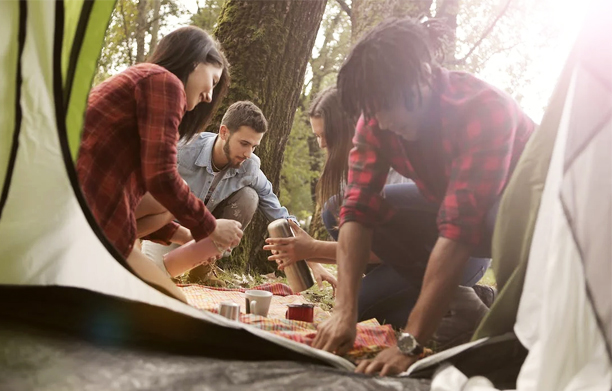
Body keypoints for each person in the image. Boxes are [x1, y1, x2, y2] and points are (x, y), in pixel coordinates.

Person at [309, 17, 536, 376]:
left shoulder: (483, 109)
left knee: (492, 218)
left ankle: (514, 322)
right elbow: (357, 209)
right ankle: (461, 305)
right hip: (450, 207)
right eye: (373, 112)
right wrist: (344, 311)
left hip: (518, 220)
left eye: (388, 107)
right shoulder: (377, 118)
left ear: (424, 77)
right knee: (337, 210)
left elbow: (460, 228)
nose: (381, 123)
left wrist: (410, 342)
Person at [264, 86, 490, 334]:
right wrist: (306, 253)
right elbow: (383, 249)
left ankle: (471, 297)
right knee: (335, 212)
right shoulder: (350, 170)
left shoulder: (394, 164)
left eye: (326, 134)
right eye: (316, 136)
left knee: (360, 307)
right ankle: (450, 305)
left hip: (459, 253)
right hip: (411, 261)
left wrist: (313, 249)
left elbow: (392, 247)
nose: (321, 143)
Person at [76, 26, 243, 301]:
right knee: (177, 309)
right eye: (212, 81)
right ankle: (107, 263)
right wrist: (210, 225)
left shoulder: (145, 79)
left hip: (93, 205)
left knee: (164, 204)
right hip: (91, 211)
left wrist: (188, 236)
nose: (209, 97)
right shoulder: (165, 82)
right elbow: (162, 177)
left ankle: (114, 264)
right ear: (194, 60)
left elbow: (139, 196)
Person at [142, 101, 336, 288]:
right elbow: (140, 192)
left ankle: (203, 267)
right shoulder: (183, 150)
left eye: (254, 146)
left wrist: (313, 261)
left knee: (249, 197)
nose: (248, 153)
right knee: (150, 279)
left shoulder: (250, 167)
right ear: (224, 132)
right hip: (169, 230)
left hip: (207, 237)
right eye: (244, 143)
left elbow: (277, 212)